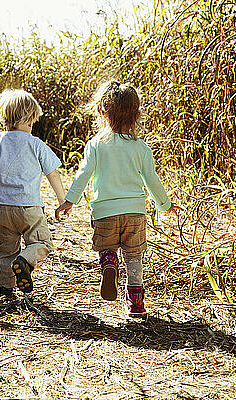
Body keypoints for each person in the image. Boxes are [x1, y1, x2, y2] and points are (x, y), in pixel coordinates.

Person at [55, 80, 181, 318]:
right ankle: (136, 305)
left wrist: (70, 200)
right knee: (134, 258)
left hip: (105, 213)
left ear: (102, 111)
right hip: (135, 212)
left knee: (106, 246)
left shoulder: (95, 145)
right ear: (136, 114)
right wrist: (165, 205)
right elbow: (151, 180)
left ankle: (109, 260)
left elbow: (83, 174)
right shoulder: (141, 148)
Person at [0, 89, 65, 299]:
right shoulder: (36, 144)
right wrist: (62, 200)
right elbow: (53, 173)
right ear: (31, 119)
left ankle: (6, 289)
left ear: (4, 117)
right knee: (42, 243)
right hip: (28, 207)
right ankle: (25, 261)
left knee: (6, 248)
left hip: (0, 209)